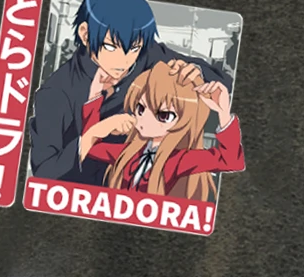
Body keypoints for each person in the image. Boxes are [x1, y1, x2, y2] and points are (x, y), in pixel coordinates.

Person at [28, 0, 232, 184]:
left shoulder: (149, 55)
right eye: (111, 47)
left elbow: (224, 83)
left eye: (134, 48)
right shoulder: (57, 92)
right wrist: (93, 134)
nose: (124, 61)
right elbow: (45, 171)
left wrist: (197, 74)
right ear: (85, 34)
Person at [79, 60, 244, 199]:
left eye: (164, 116)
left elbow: (231, 161)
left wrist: (223, 114)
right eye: (140, 109)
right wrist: (95, 94)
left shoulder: (179, 160)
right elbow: (89, 147)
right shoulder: (128, 153)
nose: (145, 119)